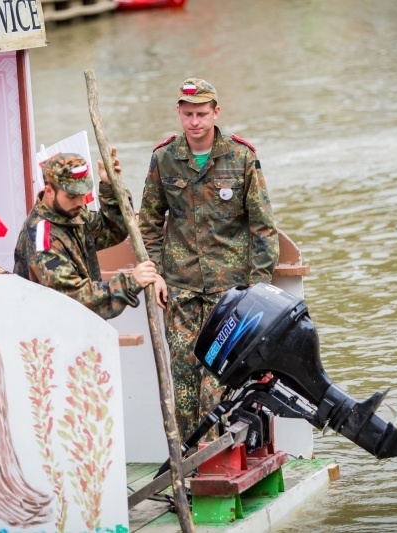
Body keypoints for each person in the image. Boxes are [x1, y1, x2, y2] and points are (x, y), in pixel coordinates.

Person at [138, 78, 280, 440]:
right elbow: (149, 223)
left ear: (216, 112)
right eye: (188, 114)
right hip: (180, 289)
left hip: (229, 294)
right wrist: (154, 274)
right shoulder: (164, 158)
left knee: (218, 380)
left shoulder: (242, 157)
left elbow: (263, 229)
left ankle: (220, 460)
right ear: (178, 114)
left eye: (202, 114)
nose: (195, 122)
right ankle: (192, 463)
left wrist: (257, 290)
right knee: (183, 380)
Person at [14, 149, 157, 319]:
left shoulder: (70, 214)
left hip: (78, 329)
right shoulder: (41, 239)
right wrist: (130, 283)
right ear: (49, 190)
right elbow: (73, 299)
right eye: (72, 196)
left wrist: (111, 185)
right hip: (51, 333)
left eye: (83, 194)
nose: (81, 202)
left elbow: (111, 231)